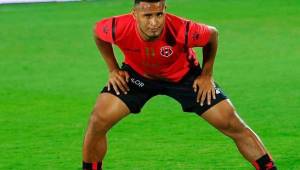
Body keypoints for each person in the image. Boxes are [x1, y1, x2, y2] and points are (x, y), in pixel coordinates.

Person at [82, 0, 277, 169]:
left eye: (159, 14)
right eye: (147, 15)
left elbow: (212, 35)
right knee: (98, 120)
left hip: (184, 77)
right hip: (138, 76)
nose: (154, 22)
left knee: (231, 122)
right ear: (135, 14)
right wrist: (113, 70)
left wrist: (206, 74)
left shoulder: (183, 29)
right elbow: (98, 34)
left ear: (165, 9)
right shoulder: (117, 26)